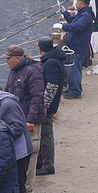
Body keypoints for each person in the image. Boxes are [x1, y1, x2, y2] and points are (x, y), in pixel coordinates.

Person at [3, 44, 45, 193]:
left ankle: (28, 188)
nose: (7, 61)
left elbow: (37, 97)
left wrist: (31, 119)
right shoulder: (13, 72)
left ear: (17, 58)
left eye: (8, 58)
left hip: (29, 119)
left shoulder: (33, 71)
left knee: (31, 151)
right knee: (18, 151)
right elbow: (8, 92)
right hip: (16, 118)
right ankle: (19, 184)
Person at [36, 36, 67, 175]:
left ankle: (48, 165)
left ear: (40, 49)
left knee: (46, 133)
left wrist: (44, 104)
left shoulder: (51, 63)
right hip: (49, 104)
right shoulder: (52, 60)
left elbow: (52, 86)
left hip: (48, 105)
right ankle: (41, 161)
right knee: (43, 132)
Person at [61, 0, 94, 99]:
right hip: (73, 46)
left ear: (82, 4)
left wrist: (63, 27)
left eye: (77, 2)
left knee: (75, 71)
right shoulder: (82, 13)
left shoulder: (86, 16)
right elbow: (72, 22)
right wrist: (64, 12)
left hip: (78, 47)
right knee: (71, 70)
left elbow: (77, 26)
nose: (75, 4)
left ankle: (76, 92)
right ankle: (71, 89)